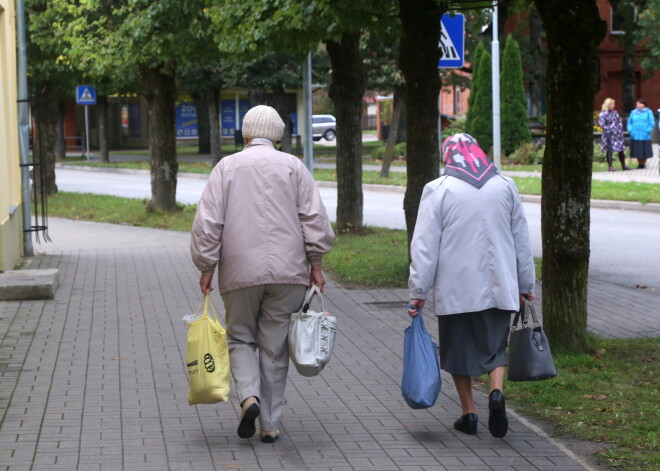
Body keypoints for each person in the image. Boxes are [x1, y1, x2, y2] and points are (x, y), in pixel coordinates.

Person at [191, 105, 334, 443]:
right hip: (290, 273)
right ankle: (269, 423)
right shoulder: (295, 167)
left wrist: (206, 266)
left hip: (239, 272)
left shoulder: (226, 168)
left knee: (240, 337)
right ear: (278, 137)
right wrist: (316, 263)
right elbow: (314, 219)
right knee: (274, 347)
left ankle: (248, 398)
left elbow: (208, 224)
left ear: (245, 135)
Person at [408, 133, 536, 438]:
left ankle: (469, 413)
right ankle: (496, 392)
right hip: (499, 285)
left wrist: (418, 291)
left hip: (457, 289)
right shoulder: (505, 186)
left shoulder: (438, 189)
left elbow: (425, 246)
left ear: (448, 157)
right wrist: (526, 282)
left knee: (457, 350)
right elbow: (521, 240)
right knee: (495, 347)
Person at [598, 98, 629, 171]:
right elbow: (602, 125)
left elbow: (619, 122)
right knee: (609, 149)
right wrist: (610, 129)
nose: (614, 105)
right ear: (608, 105)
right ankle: (610, 166)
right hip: (608, 135)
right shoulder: (603, 114)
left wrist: (618, 128)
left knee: (621, 149)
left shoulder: (615, 112)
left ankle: (624, 165)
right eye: (612, 104)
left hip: (617, 135)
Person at [627, 99, 655, 169]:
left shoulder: (649, 112)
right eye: (637, 104)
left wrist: (647, 131)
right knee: (637, 150)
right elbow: (629, 122)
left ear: (643, 105)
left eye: (639, 104)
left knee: (644, 150)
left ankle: (643, 163)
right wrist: (630, 130)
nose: (637, 105)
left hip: (645, 135)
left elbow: (652, 123)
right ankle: (639, 163)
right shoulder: (633, 112)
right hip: (635, 135)